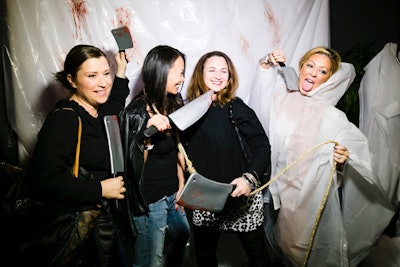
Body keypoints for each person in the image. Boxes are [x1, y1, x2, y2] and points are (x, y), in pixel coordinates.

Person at [249, 47, 394, 266]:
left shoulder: (330, 115)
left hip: (307, 195)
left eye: (322, 71)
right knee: (283, 247)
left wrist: (342, 159)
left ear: (328, 79)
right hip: (280, 191)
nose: (314, 73)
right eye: (310, 66)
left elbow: (353, 153)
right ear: (301, 67)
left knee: (300, 250)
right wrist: (266, 63)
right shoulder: (283, 99)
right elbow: (258, 105)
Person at [22, 44, 130, 266]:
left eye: (105, 73)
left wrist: (120, 72)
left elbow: (116, 101)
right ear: (71, 81)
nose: (103, 83)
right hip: (79, 226)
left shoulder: (101, 111)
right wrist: (100, 188)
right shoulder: (65, 120)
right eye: (92, 76)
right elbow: (41, 182)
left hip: (105, 220)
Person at [182, 51, 272, 267]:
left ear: (230, 76)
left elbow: (262, 146)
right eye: (211, 70)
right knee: (204, 257)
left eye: (224, 71)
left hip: (240, 196)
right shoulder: (188, 109)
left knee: (259, 258)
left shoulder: (236, 107)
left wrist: (248, 178)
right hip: (204, 198)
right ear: (200, 73)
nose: (218, 75)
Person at [119, 45, 190, 267]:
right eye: (178, 72)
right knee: (151, 260)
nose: (182, 78)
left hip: (173, 194)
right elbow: (129, 168)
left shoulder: (172, 103)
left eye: (183, 72)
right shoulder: (136, 112)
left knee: (182, 236)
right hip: (150, 202)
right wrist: (145, 137)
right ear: (160, 72)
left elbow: (176, 148)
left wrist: (181, 184)